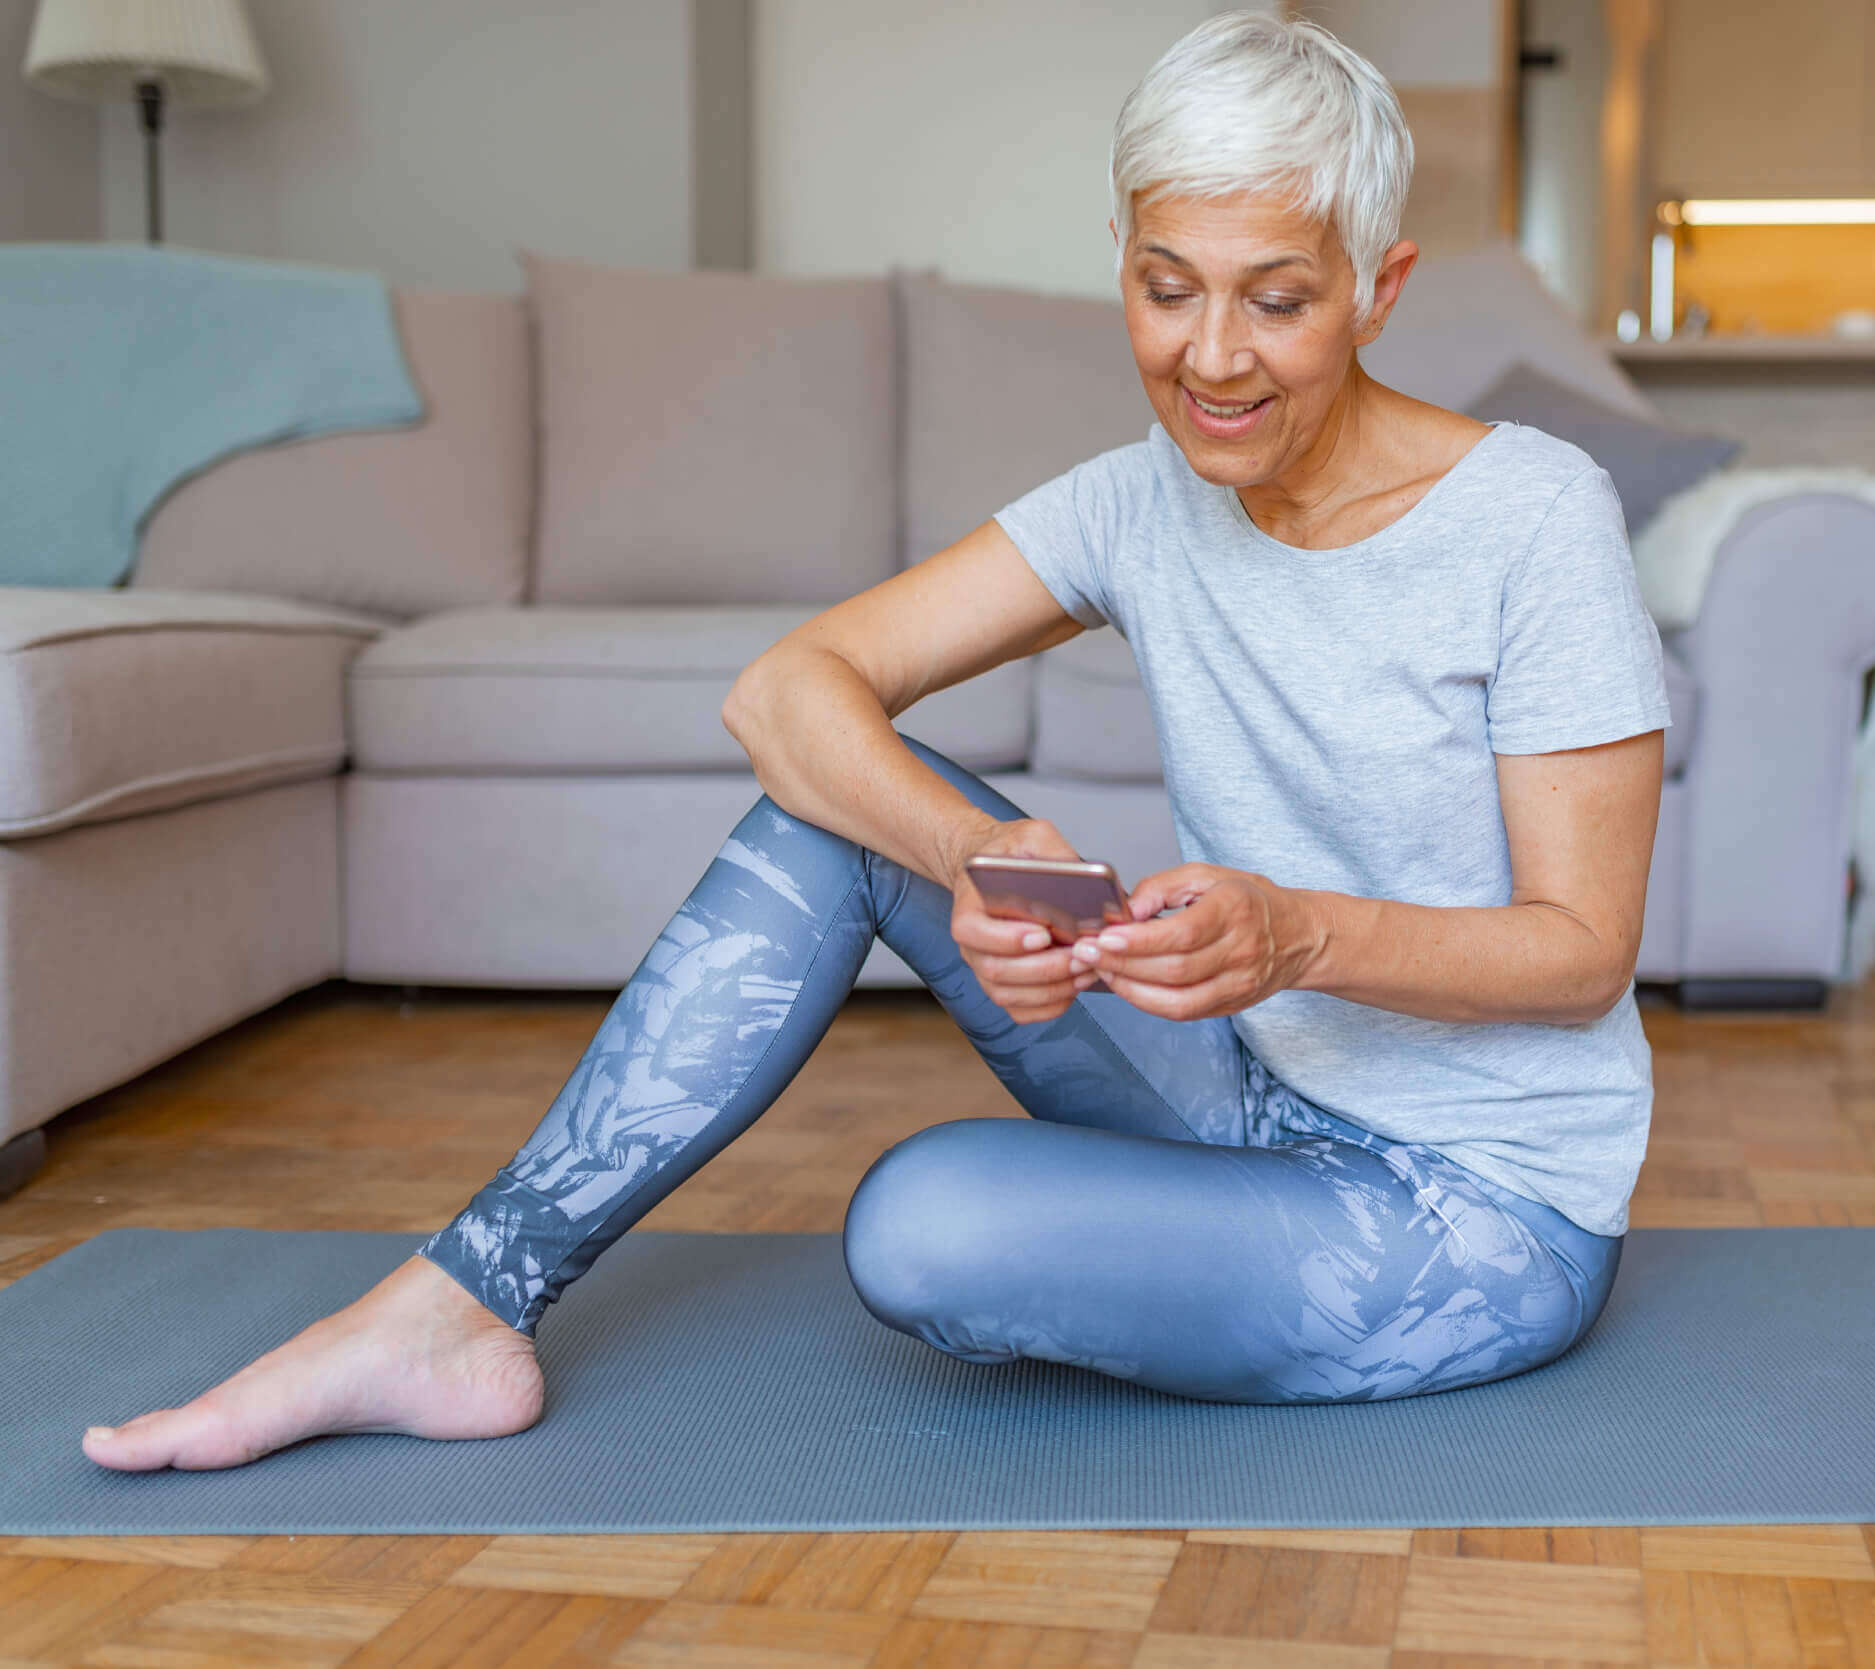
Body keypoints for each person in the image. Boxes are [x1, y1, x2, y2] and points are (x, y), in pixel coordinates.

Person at [81, 9, 1671, 1471]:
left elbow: (1582, 952)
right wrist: (970, 855)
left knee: (923, 1228)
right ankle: (458, 1302)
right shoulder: (1138, 496)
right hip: (1246, 1087)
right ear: (1121, 259)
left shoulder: (1532, 517)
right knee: (834, 807)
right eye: (1167, 285)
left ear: (1379, 290)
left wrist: (1298, 933)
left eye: (1279, 300)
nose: (1211, 357)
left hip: (1479, 1206)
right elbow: (790, 689)